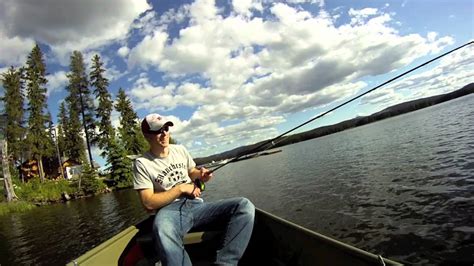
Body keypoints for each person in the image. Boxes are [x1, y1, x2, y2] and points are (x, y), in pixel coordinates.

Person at [133, 113, 255, 266]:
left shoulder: (180, 150)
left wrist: (201, 174)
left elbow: (192, 172)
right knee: (162, 230)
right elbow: (148, 203)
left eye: (166, 128)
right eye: (158, 130)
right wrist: (181, 189)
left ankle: (225, 263)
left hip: (197, 206)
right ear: (147, 136)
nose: (164, 133)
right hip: (169, 212)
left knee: (244, 206)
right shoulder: (142, 163)